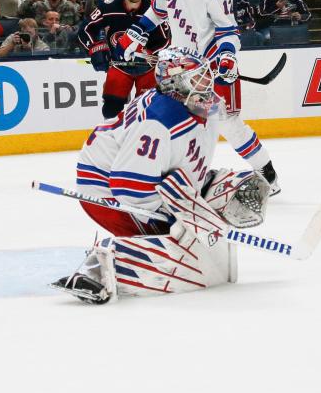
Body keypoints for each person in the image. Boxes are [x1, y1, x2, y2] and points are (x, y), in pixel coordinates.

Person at [50, 48, 271, 304]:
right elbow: (129, 188)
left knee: (204, 204)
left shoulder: (198, 103)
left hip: (152, 175)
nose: (207, 82)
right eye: (198, 78)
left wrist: (258, 166)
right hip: (106, 188)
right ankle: (99, 268)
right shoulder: (159, 122)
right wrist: (178, 218)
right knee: (179, 240)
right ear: (175, 83)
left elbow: (230, 128)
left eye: (206, 76)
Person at [119, 0, 281, 194]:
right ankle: (171, 178)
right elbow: (157, 12)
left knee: (229, 125)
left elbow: (227, 31)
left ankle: (267, 174)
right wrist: (135, 34)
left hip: (211, 67)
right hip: (178, 69)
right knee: (171, 121)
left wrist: (227, 57)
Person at [78, 0, 170, 118]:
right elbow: (86, 29)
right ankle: (115, 138)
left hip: (148, 67)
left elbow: (167, 39)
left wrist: (151, 53)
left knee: (148, 110)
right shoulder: (109, 6)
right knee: (110, 110)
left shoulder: (153, 8)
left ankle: (142, 139)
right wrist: (94, 47)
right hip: (119, 66)